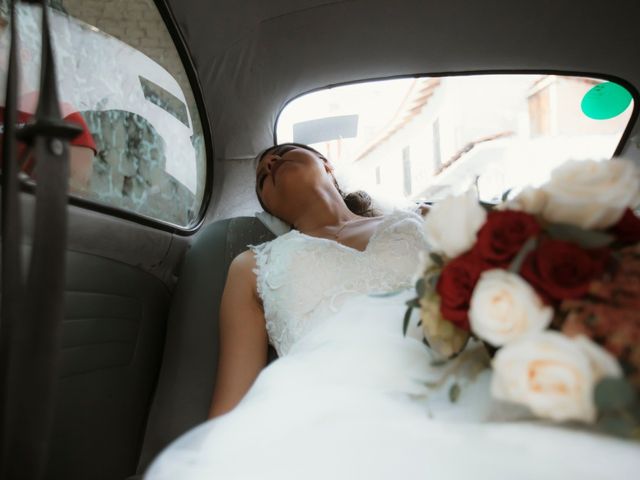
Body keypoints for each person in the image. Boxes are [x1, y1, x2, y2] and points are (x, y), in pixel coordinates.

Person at [146, 143, 640, 479]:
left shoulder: (427, 219)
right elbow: (230, 405)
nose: (269, 162)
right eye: (261, 175)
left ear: (330, 167)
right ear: (267, 206)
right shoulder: (250, 265)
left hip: (460, 382)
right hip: (323, 414)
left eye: (284, 152)